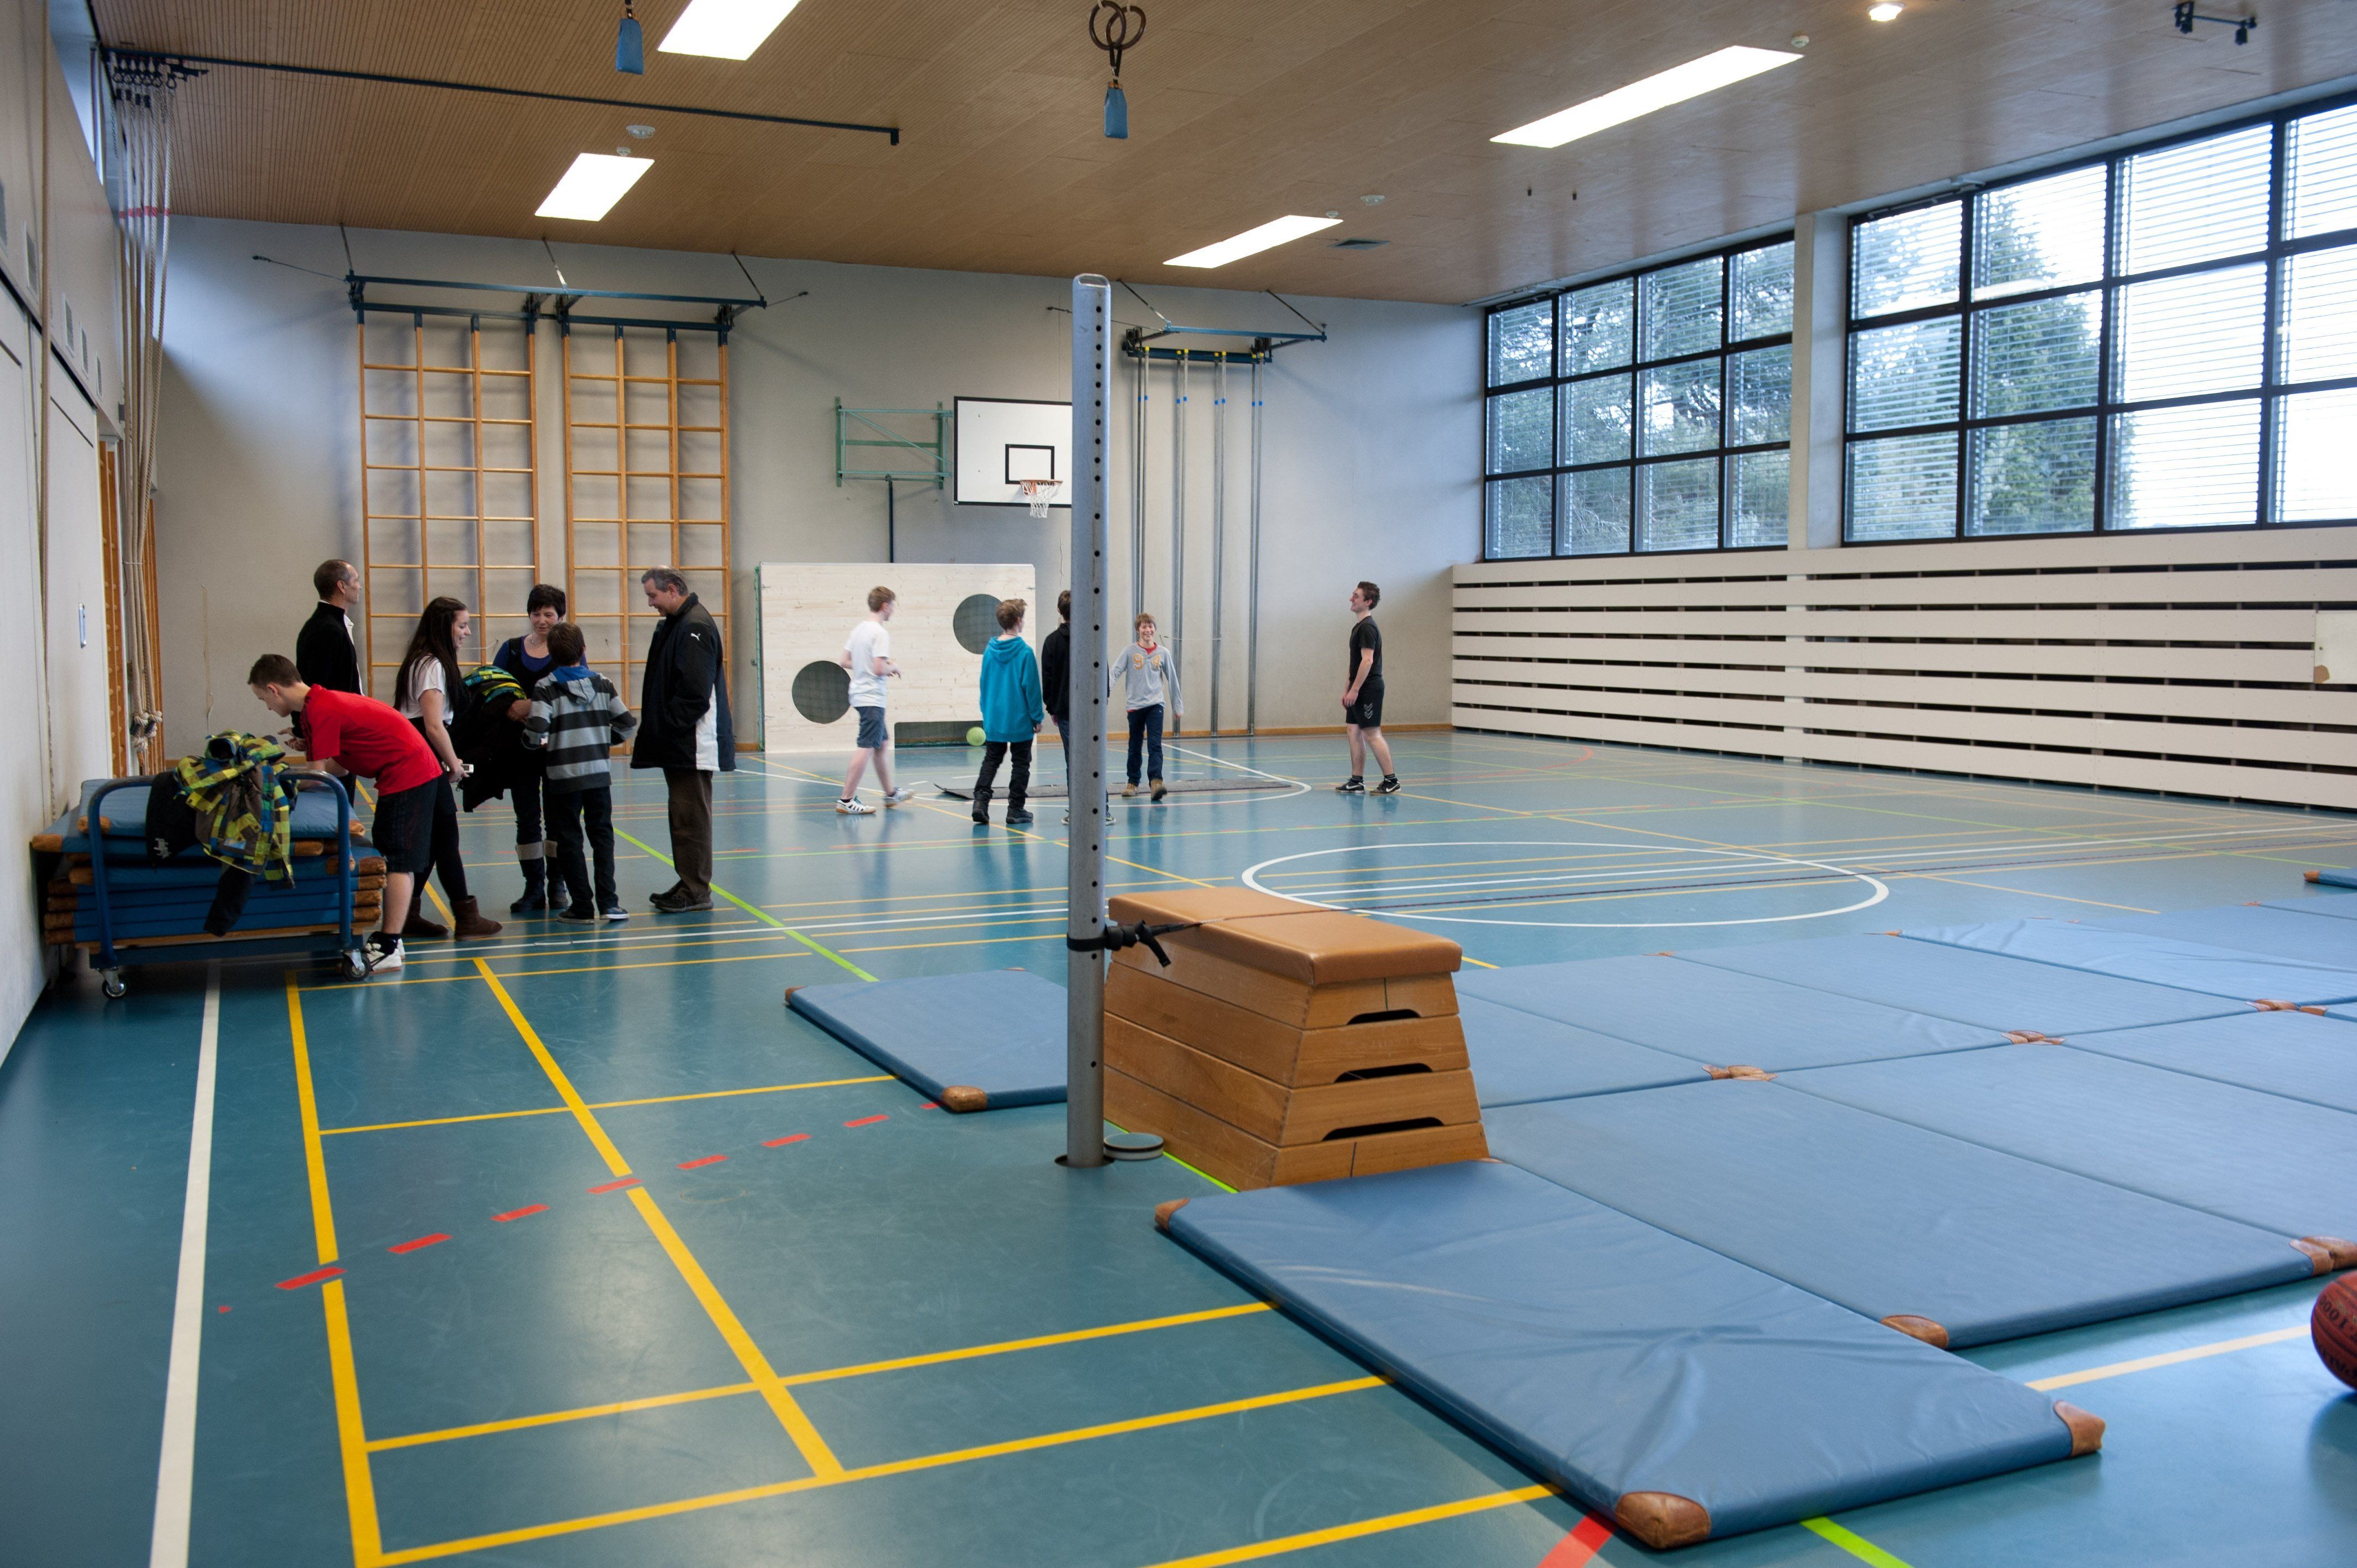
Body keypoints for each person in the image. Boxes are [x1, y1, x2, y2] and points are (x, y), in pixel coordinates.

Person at [248, 654, 440, 973]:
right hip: (402, 771)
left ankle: (389, 945)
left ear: (273, 690)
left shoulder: (319, 710)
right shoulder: (316, 706)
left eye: (262, 699)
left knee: (398, 860)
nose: (266, 707)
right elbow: (338, 767)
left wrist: (275, 781)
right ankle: (393, 940)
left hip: (409, 772)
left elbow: (317, 776)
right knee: (393, 854)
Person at [393, 599, 502, 938]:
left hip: (420, 757)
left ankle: (408, 914)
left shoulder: (422, 660)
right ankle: (467, 917)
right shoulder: (432, 665)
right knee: (446, 838)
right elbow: (433, 725)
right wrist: (453, 764)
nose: (467, 632)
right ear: (445, 627)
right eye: (462, 625)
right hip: (423, 758)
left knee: (435, 840)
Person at [632, 567, 734, 913]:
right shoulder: (679, 623)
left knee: (691, 819)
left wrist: (667, 728)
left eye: (653, 596)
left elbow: (694, 694)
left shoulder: (695, 626)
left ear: (673, 589)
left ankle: (696, 891)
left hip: (691, 743)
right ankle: (689, 881)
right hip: (680, 742)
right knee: (683, 817)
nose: (651, 603)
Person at [522, 622, 636, 922]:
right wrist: (601, 741)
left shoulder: (546, 687)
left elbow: (537, 728)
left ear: (551, 654)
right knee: (603, 837)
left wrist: (531, 743)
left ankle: (582, 907)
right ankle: (610, 904)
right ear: (583, 650)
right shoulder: (603, 684)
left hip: (563, 777)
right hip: (598, 775)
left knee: (569, 840)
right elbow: (627, 724)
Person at [492, 584, 567, 912]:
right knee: (526, 820)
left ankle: (558, 884)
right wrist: (512, 709)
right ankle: (533, 887)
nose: (541, 620)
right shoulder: (510, 650)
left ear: (560, 616)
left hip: (557, 750)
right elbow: (493, 691)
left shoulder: (569, 650)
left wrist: (532, 706)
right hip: (519, 749)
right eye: (536, 614)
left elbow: (578, 691)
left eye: (548, 614)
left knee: (557, 820)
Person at [836, 586, 917, 816]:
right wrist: (893, 667)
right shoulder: (880, 633)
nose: (894, 610)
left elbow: (844, 660)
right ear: (885, 606)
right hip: (871, 697)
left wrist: (869, 665)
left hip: (860, 694)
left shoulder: (859, 630)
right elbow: (880, 669)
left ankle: (891, 793)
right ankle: (846, 799)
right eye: (893, 606)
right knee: (867, 746)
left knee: (881, 743)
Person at [970, 598, 1044, 827]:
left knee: (991, 760)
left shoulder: (989, 651)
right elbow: (1031, 688)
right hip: (1019, 718)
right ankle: (1015, 809)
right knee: (1021, 763)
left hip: (995, 717)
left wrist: (985, 711)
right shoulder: (1025, 652)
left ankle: (980, 803)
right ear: (1019, 620)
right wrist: (1037, 717)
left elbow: (984, 683)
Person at [1337, 580, 1399, 795]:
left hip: (1369, 688)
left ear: (1368, 602)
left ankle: (1391, 780)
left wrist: (1356, 690)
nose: (1351, 599)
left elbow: (1367, 661)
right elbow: (1354, 664)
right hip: (1358, 687)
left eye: (1356, 596)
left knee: (1371, 733)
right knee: (1353, 730)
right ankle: (1357, 780)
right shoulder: (1358, 627)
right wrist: (1347, 689)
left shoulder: (1368, 628)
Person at [1117, 612, 1180, 803]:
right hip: (1135, 706)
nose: (1148, 630)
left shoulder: (1163, 653)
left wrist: (1177, 706)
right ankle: (1133, 783)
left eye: (1151, 626)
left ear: (1154, 629)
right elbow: (1115, 671)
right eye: (1144, 627)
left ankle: (1156, 782)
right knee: (1134, 746)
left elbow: (1172, 679)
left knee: (1155, 745)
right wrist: (1105, 692)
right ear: (1138, 630)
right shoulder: (1129, 652)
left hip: (1155, 705)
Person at [296, 560, 363, 694]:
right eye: (356, 581)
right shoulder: (327, 630)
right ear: (342, 586)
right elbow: (319, 688)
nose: (359, 587)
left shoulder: (332, 625)